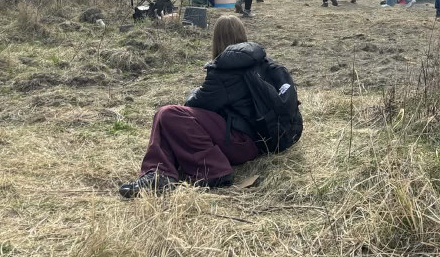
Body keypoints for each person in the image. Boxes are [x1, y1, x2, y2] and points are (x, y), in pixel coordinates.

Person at [118, 16, 302, 198]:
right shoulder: (262, 62)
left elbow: (194, 105)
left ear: (217, 39)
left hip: (244, 143)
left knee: (167, 115)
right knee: (172, 120)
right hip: (265, 141)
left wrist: (195, 91)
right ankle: (159, 174)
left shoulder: (225, 70)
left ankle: (206, 170)